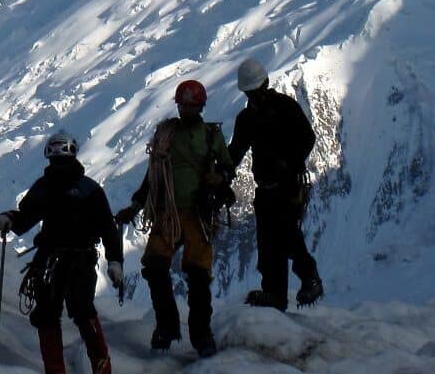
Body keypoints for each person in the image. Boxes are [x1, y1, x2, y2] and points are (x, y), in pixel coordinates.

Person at [0, 130, 122, 374]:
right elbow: (108, 229)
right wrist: (114, 261)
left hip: (60, 258)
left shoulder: (48, 187)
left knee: (57, 313)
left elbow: (25, 217)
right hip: (69, 258)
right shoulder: (87, 189)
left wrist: (10, 219)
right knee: (72, 311)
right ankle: (94, 368)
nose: (58, 165)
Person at [115, 79, 234, 358]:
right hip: (169, 213)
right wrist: (135, 205)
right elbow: (152, 177)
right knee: (157, 267)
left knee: (197, 275)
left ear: (200, 106)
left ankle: (199, 333)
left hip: (195, 214)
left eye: (190, 106)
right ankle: (170, 327)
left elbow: (228, 167)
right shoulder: (169, 136)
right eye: (184, 106)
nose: (187, 111)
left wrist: (220, 178)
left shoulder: (208, 136)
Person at [228, 58, 325, 310]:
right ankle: (276, 293)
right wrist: (221, 174)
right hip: (269, 187)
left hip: (286, 185)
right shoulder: (254, 116)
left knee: (285, 235)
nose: (254, 95)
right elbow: (235, 152)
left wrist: (288, 163)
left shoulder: (277, 109)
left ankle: (307, 279)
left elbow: (307, 137)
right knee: (269, 242)